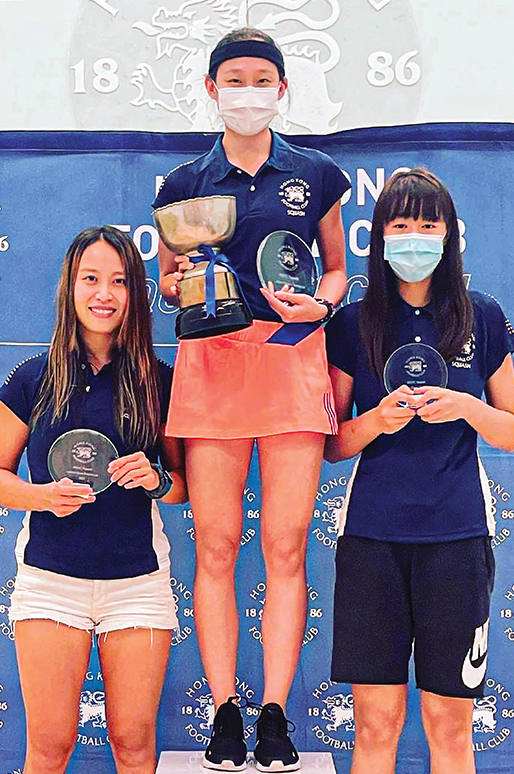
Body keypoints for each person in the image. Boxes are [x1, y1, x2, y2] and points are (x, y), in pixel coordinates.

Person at [154, 27, 349, 772]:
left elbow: (336, 269)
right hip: (212, 367)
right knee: (215, 545)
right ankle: (224, 711)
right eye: (234, 79)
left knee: (286, 547)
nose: (248, 92)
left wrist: (322, 306)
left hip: (292, 361)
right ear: (211, 89)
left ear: (281, 88)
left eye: (261, 79)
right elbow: (168, 281)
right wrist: (179, 284)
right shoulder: (182, 184)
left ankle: (273, 713)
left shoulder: (316, 173)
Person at [324, 168, 514, 774]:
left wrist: (466, 407)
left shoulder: (482, 316)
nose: (414, 237)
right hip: (371, 541)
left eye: (428, 225)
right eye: (401, 223)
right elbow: (331, 444)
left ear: (449, 234)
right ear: (379, 235)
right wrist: (376, 421)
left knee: (449, 726)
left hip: (456, 540)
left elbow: (511, 429)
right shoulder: (352, 322)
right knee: (376, 725)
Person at [0, 226, 188, 774]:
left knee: (133, 745)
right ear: (70, 287)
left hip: (137, 586)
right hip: (50, 583)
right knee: (49, 747)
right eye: (91, 279)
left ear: (135, 293)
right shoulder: (33, 377)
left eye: (119, 281)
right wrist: (41, 496)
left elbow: (183, 487)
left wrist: (154, 479)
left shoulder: (158, 380)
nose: (104, 294)